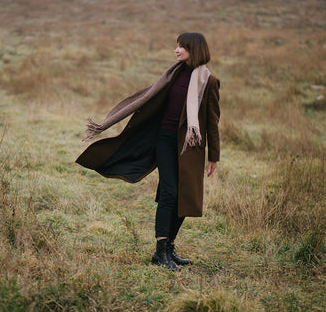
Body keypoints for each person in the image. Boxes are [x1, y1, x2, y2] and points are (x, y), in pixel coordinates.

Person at [76, 32, 220, 271]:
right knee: (169, 194)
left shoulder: (209, 82)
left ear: (194, 49)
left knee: (185, 197)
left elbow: (212, 122)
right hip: (163, 139)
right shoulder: (172, 75)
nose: (176, 50)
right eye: (176, 46)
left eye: (181, 46)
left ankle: (167, 249)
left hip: (189, 146)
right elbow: (150, 98)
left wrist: (214, 156)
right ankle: (161, 249)